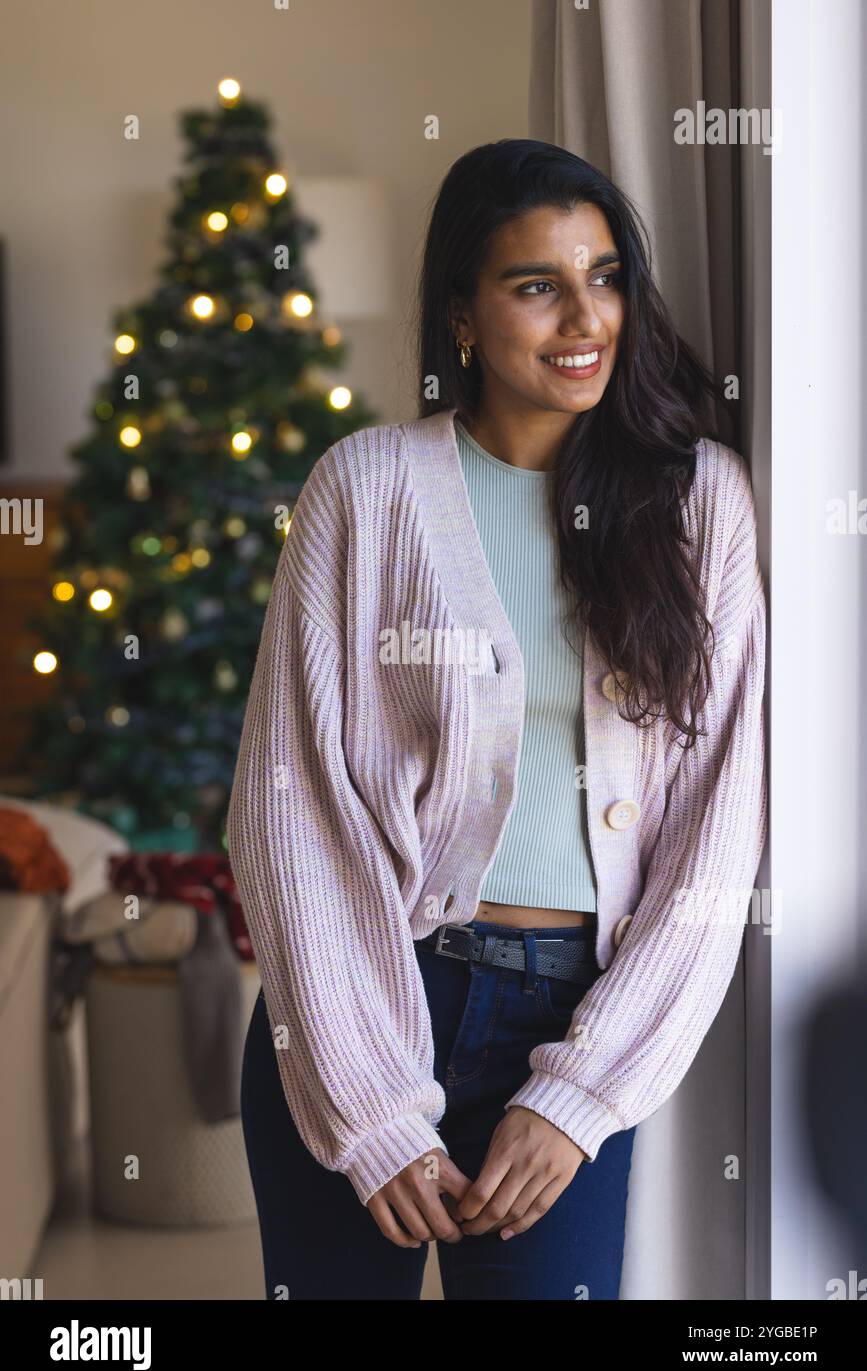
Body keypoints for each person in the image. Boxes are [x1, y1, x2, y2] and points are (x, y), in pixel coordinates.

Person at [226, 138, 767, 1301]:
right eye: (538, 285)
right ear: (463, 313)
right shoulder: (364, 492)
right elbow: (289, 816)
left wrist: (578, 1098)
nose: (586, 316)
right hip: (365, 1001)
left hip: (573, 1020)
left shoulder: (697, 500)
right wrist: (371, 1108)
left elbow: (714, 842)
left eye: (607, 275)